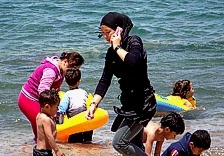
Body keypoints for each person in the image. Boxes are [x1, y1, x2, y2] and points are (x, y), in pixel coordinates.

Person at [86, 12, 157, 155]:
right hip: (128, 104)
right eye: (103, 33)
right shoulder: (110, 53)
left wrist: (117, 47)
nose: (106, 37)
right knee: (134, 147)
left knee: (119, 143)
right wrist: (93, 104)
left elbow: (134, 62)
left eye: (108, 32)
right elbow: (104, 80)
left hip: (143, 103)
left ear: (120, 30)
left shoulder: (134, 41)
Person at [18, 52, 84, 142]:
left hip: (37, 99)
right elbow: (43, 90)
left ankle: (35, 148)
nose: (73, 72)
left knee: (41, 130)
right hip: (29, 99)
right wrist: (49, 111)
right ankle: (41, 149)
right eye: (72, 69)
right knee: (43, 127)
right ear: (65, 62)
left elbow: (55, 89)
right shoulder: (51, 71)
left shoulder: (60, 70)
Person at [57, 68, 93, 143]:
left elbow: (62, 109)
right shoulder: (84, 92)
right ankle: (88, 141)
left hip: (74, 117)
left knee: (74, 137)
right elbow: (88, 104)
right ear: (79, 82)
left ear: (66, 82)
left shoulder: (67, 94)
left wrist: (59, 124)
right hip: (84, 116)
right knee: (88, 132)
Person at [33, 89, 65, 156]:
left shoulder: (39, 116)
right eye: (56, 107)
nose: (58, 109)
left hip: (38, 150)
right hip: (44, 152)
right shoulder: (46, 119)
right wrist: (57, 150)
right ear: (47, 107)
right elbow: (49, 137)